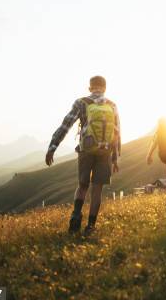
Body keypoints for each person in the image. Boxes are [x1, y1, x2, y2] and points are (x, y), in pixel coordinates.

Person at [45, 75, 121, 235]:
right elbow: (117, 132)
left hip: (86, 150)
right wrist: (115, 158)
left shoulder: (81, 102)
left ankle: (76, 217)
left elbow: (66, 125)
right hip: (105, 151)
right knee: (97, 189)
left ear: (89, 88)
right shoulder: (112, 105)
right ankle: (90, 226)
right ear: (105, 88)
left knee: (83, 185)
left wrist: (53, 146)